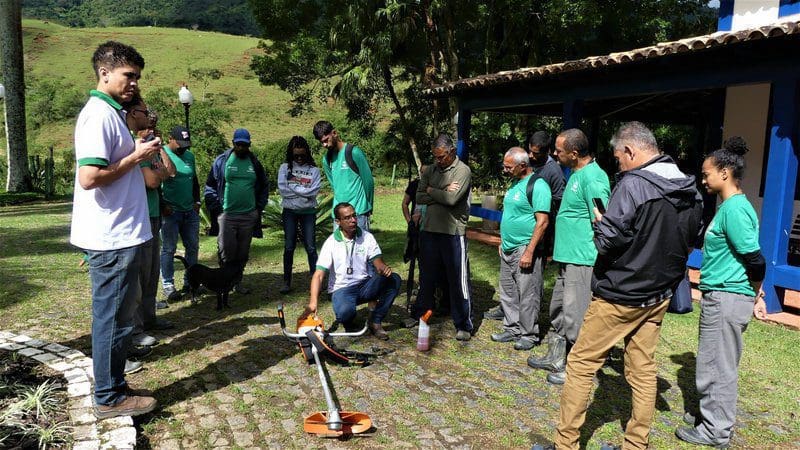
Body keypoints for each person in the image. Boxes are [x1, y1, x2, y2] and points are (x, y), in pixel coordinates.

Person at [553, 122, 703, 450]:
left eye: (619, 157)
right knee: (643, 367)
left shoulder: (634, 185)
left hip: (620, 294)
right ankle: (637, 444)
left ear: (631, 151)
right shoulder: (690, 189)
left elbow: (608, 241)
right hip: (659, 293)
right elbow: (691, 239)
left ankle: (565, 444)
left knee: (580, 364)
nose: (618, 164)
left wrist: (599, 223)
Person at [70, 41, 161, 418]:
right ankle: (108, 397)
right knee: (112, 318)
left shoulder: (113, 114)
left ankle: (115, 385)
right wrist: (136, 157)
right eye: (128, 76)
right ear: (104, 73)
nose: (134, 84)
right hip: (112, 238)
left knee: (122, 318)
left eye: (137, 78)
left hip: (123, 235)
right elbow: (90, 177)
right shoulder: (99, 116)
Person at [675, 137, 765, 448]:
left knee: (718, 365)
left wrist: (753, 294)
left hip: (728, 297)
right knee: (712, 361)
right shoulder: (730, 207)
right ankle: (707, 412)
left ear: (724, 172)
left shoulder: (735, 209)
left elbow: (756, 259)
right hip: (723, 296)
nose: (703, 179)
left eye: (706, 173)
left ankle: (715, 431)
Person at [528, 128, 609, 385]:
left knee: (577, 316)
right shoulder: (575, 173)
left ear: (574, 154)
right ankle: (556, 356)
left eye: (559, 151)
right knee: (559, 310)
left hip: (582, 259)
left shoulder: (593, 179)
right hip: (567, 258)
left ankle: (580, 370)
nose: (554, 153)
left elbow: (602, 219)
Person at [485, 131, 565, 321]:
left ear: (548, 152)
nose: (531, 156)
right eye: (530, 151)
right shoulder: (522, 171)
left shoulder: (553, 172)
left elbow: (557, 204)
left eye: (536, 153)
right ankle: (509, 313)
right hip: (514, 240)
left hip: (538, 232)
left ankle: (528, 322)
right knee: (511, 282)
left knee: (529, 283)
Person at [300, 202, 401, 340]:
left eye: (354, 216)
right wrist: (313, 302)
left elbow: (378, 263)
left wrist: (383, 269)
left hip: (365, 285)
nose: (353, 220)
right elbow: (318, 275)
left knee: (394, 279)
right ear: (338, 221)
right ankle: (349, 320)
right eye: (347, 218)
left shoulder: (367, 237)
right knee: (345, 314)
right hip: (342, 289)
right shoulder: (331, 243)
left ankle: (375, 321)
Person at [121, 92, 175, 349]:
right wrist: (158, 173)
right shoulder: (134, 147)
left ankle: (150, 318)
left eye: (154, 128)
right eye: (148, 127)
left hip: (154, 216)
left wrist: (160, 150)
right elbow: (153, 180)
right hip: (139, 216)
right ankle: (136, 327)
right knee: (139, 276)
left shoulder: (152, 150)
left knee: (152, 272)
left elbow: (169, 172)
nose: (151, 132)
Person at [414, 133, 473, 341]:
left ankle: (463, 323)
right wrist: (439, 189)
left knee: (457, 279)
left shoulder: (463, 170)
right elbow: (419, 195)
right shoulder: (430, 170)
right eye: (435, 157)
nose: (438, 161)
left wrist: (432, 190)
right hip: (429, 230)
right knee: (427, 277)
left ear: (451, 152)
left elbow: (452, 199)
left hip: (453, 233)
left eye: (441, 157)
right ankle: (421, 314)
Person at [490, 147, 551, 351]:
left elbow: (542, 222)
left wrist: (529, 251)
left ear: (523, 165)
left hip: (524, 247)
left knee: (528, 293)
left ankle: (528, 334)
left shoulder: (538, 186)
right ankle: (512, 327)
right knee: (508, 290)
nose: (505, 170)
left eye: (509, 167)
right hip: (508, 246)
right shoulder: (515, 183)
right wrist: (502, 240)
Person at [204, 128, 269, 294]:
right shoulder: (222, 161)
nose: (241, 147)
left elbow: (263, 185)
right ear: (233, 143)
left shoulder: (254, 163)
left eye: (244, 145)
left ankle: (237, 281)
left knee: (242, 251)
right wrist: (216, 208)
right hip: (226, 215)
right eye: (238, 144)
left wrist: (258, 208)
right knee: (226, 250)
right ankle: (225, 280)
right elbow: (210, 185)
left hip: (248, 215)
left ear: (249, 145)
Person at [159, 126, 201, 303]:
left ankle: (190, 282)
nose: (184, 147)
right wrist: (163, 205)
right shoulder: (161, 154)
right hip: (171, 212)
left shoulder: (189, 156)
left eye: (186, 144)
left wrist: (197, 201)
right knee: (169, 249)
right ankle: (168, 285)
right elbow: (155, 183)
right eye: (180, 144)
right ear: (170, 139)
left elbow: (194, 180)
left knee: (192, 247)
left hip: (189, 211)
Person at [277, 136, 321, 294]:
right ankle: (286, 281)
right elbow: (283, 190)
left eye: (302, 155)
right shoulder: (284, 168)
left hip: (308, 212)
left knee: (311, 247)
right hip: (289, 212)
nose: (300, 158)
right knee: (289, 246)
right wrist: (304, 193)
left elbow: (314, 191)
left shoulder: (314, 170)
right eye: (296, 156)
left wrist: (294, 187)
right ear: (291, 154)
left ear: (307, 153)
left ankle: (315, 282)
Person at [312, 120, 374, 230]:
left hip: (358, 213)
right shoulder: (327, 160)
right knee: (340, 247)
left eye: (326, 140)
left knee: (361, 247)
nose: (324, 145)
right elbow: (334, 186)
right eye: (321, 142)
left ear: (334, 133)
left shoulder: (354, 153)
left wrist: (368, 206)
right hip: (338, 216)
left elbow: (368, 182)